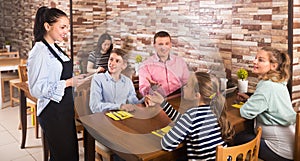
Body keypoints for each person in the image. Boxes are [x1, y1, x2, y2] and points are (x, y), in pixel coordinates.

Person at [27, 6, 83, 161]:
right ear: (47, 26)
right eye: (62, 27)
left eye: (67, 27)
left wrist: (76, 80)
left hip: (64, 110)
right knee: (63, 156)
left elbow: (57, 75)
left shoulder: (55, 48)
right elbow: (36, 89)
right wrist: (68, 82)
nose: (66, 31)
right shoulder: (39, 52)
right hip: (52, 112)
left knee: (69, 155)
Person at [146, 72, 235, 161]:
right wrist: (163, 103)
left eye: (187, 86)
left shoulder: (191, 115)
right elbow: (184, 121)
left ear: (197, 96)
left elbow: (166, 144)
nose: (184, 87)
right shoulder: (215, 110)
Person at [236, 47, 296, 161]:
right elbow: (270, 104)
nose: (254, 62)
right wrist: (250, 99)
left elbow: (245, 113)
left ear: (274, 65)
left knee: (235, 138)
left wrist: (248, 103)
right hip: (289, 146)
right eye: (255, 58)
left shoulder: (267, 86)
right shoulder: (278, 83)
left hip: (278, 151)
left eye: (260, 60)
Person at [89, 48, 145, 113]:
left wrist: (146, 98)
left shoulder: (128, 82)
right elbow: (95, 106)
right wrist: (120, 106)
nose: (112, 63)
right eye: (111, 59)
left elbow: (134, 103)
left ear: (123, 66)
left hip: (121, 119)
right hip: (103, 119)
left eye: (117, 61)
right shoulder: (98, 79)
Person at [139, 31, 190, 97]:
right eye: (160, 44)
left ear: (170, 45)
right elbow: (143, 91)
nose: (164, 47)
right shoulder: (145, 66)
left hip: (178, 99)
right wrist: (151, 88)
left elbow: (187, 83)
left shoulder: (180, 62)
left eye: (167, 44)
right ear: (154, 45)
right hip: (158, 102)